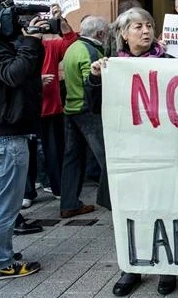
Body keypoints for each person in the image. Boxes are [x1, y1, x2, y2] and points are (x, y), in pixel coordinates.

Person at [86, 7, 178, 296]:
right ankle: (131, 268)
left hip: (162, 150)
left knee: (165, 208)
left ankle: (168, 266)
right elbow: (93, 107)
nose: (146, 31)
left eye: (149, 25)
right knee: (130, 211)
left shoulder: (170, 62)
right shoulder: (112, 65)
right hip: (126, 154)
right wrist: (96, 79)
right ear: (123, 34)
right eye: (138, 26)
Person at [0, 6, 45, 279]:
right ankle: (2, 262)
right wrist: (29, 41)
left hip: (6, 135)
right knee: (6, 206)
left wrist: (32, 40)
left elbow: (27, 70)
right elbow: (14, 74)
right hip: (6, 138)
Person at [60, 16, 110, 219]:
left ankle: (69, 203)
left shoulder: (72, 47)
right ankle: (115, 204)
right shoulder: (92, 52)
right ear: (100, 34)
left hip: (71, 109)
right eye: (106, 33)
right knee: (106, 158)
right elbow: (92, 83)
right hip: (88, 111)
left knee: (72, 158)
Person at [36, 4, 77, 202]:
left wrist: (61, 20)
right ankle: (27, 192)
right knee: (26, 152)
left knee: (54, 151)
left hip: (50, 108)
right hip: (26, 110)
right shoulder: (15, 48)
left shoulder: (50, 46)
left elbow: (71, 40)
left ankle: (57, 186)